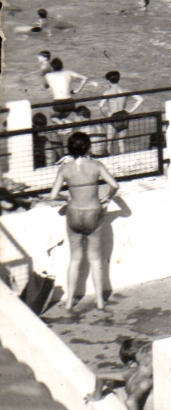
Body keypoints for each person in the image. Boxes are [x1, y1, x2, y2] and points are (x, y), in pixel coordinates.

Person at [47, 131, 121, 313]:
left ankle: (70, 301)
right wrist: (107, 198)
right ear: (88, 147)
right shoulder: (96, 165)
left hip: (74, 212)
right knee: (96, 259)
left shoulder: (65, 169)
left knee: (75, 258)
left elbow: (52, 196)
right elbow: (115, 185)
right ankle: (100, 302)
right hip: (93, 211)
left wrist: (68, 199)